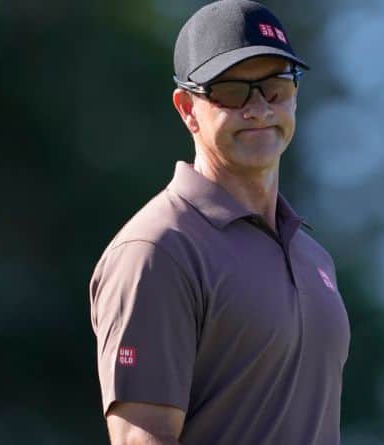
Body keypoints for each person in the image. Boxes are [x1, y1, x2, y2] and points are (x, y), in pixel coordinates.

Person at [89, 1, 350, 443]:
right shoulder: (157, 250)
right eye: (231, 91)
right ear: (187, 108)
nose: (258, 107)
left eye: (275, 86)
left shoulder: (314, 257)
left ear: (295, 94)